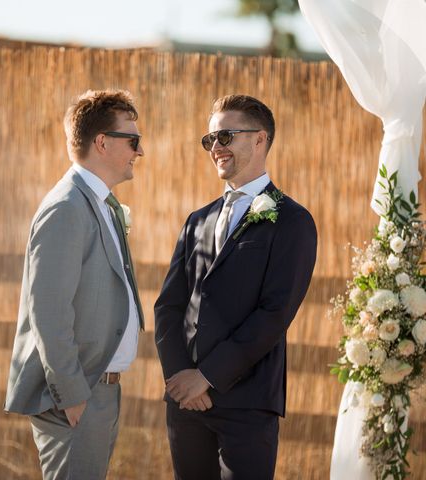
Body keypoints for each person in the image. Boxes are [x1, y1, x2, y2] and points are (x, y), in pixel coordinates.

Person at [154, 94, 317, 479]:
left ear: (260, 139)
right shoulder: (197, 220)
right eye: (209, 140)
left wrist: (206, 377)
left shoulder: (293, 221)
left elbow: (274, 314)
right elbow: (169, 305)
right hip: (185, 404)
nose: (216, 148)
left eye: (225, 136)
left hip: (247, 404)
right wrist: (181, 377)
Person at [5, 89, 145, 480]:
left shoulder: (98, 203)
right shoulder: (66, 207)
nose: (140, 151)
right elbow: (48, 309)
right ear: (102, 142)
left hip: (98, 392)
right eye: (133, 140)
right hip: (76, 394)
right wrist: (72, 395)